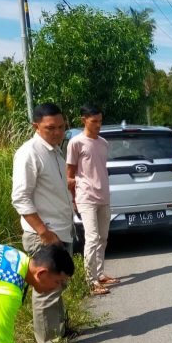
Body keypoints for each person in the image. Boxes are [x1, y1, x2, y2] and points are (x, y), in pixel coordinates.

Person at [11, 103, 79, 343]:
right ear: (35, 126)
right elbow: (20, 198)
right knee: (46, 289)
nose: (58, 132)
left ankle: (60, 329)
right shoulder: (29, 153)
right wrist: (43, 232)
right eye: (51, 128)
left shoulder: (56, 152)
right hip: (44, 234)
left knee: (59, 283)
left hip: (61, 230)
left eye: (62, 127)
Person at [66, 104, 119, 296]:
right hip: (86, 197)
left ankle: (100, 273)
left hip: (104, 196)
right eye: (94, 121)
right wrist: (73, 200)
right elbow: (70, 175)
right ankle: (91, 281)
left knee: (103, 238)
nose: (98, 125)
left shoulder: (103, 143)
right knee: (92, 237)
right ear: (83, 120)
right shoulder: (76, 143)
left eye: (100, 121)